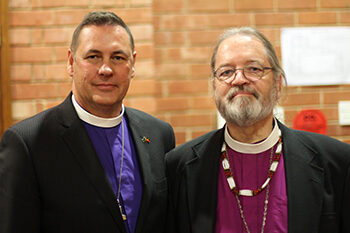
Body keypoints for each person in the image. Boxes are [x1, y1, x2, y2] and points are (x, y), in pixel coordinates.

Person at [0, 11, 175, 233]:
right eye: (93, 56)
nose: (106, 69)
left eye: (118, 57)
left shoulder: (159, 134)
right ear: (71, 62)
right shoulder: (28, 143)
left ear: (132, 65)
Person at [165, 27, 350, 233]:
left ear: (278, 84)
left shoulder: (337, 162)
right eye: (226, 72)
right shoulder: (180, 167)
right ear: (214, 88)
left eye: (254, 69)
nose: (239, 79)